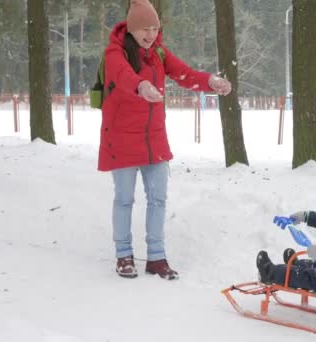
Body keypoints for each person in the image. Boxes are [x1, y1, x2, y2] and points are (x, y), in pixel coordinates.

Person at [98, 0, 231, 280]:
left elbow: (184, 74)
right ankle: (124, 254)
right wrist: (141, 85)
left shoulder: (158, 52)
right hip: (121, 138)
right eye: (144, 28)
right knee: (124, 199)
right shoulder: (115, 52)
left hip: (154, 138)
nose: (150, 34)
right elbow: (122, 75)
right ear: (132, 29)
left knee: (158, 198)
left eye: (154, 28)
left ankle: (156, 258)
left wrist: (210, 82)